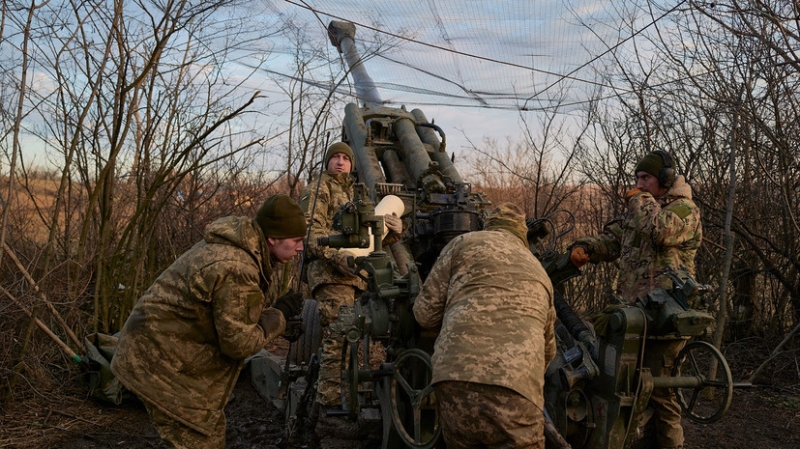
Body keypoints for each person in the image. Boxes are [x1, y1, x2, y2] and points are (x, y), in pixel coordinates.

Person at [110, 193, 308, 449]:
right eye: (297, 240)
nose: (301, 248)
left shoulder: (238, 246)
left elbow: (228, 316)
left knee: (209, 432)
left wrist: (272, 318)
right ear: (273, 238)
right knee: (201, 440)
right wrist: (278, 317)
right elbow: (239, 344)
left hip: (163, 355)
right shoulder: (238, 266)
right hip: (159, 364)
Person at [568, 150, 702, 449]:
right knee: (621, 386)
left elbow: (659, 232)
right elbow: (613, 240)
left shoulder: (683, 210)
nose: (639, 184)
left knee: (659, 392)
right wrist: (584, 249)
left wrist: (640, 199)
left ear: (665, 180)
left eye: (646, 178)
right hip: (631, 316)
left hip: (665, 317)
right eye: (637, 178)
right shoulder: (643, 210)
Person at [413, 202, 556, 449]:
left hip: (453, 378)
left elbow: (424, 315)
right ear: (522, 233)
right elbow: (548, 352)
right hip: (516, 388)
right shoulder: (539, 271)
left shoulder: (462, 244)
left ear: (488, 225)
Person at [299, 142, 403, 415]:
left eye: (346, 157)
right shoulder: (319, 188)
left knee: (369, 338)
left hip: (359, 277)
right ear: (328, 162)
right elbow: (309, 233)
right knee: (341, 334)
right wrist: (336, 257)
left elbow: (372, 239)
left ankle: (357, 397)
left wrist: (395, 231)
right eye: (335, 157)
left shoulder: (357, 193)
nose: (341, 161)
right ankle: (331, 407)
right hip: (331, 275)